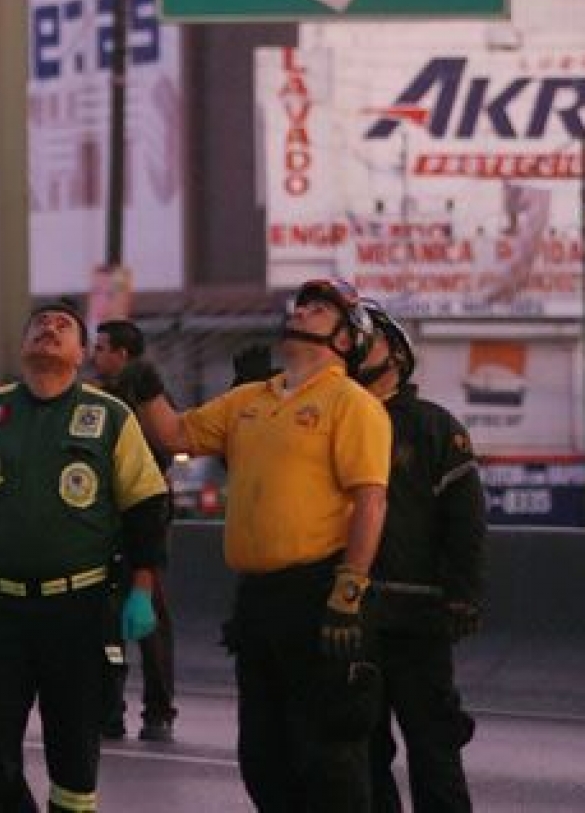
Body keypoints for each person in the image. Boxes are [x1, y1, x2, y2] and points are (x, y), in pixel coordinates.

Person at [134, 278, 392, 813]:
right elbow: (176, 435)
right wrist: (144, 380)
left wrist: (349, 588)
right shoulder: (250, 399)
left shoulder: (352, 404)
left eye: (320, 309)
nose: (302, 311)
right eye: (303, 304)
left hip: (318, 592)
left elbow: (370, 502)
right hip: (258, 600)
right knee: (263, 756)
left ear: (347, 340)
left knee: (327, 756)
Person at [0, 299, 169, 813]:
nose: (50, 330)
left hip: (77, 611)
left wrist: (142, 589)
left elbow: (146, 505)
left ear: (81, 353)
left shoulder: (109, 416)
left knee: (74, 755)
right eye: (40, 324)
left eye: (64, 327)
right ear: (22, 346)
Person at [351, 302, 485, 813]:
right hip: (352, 618)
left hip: (418, 621)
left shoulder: (433, 427)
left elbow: (466, 521)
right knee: (362, 751)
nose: (360, 344)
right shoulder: (333, 421)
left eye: (373, 337)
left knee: (433, 745)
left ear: (399, 356)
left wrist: (463, 595)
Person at [91, 319, 179, 743]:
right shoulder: (93, 399)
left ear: (123, 354)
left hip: (143, 519)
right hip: (105, 521)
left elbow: (167, 445)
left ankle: (158, 709)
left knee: (149, 616)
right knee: (109, 623)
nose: (95, 354)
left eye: (103, 347)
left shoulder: (148, 398)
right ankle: (109, 705)